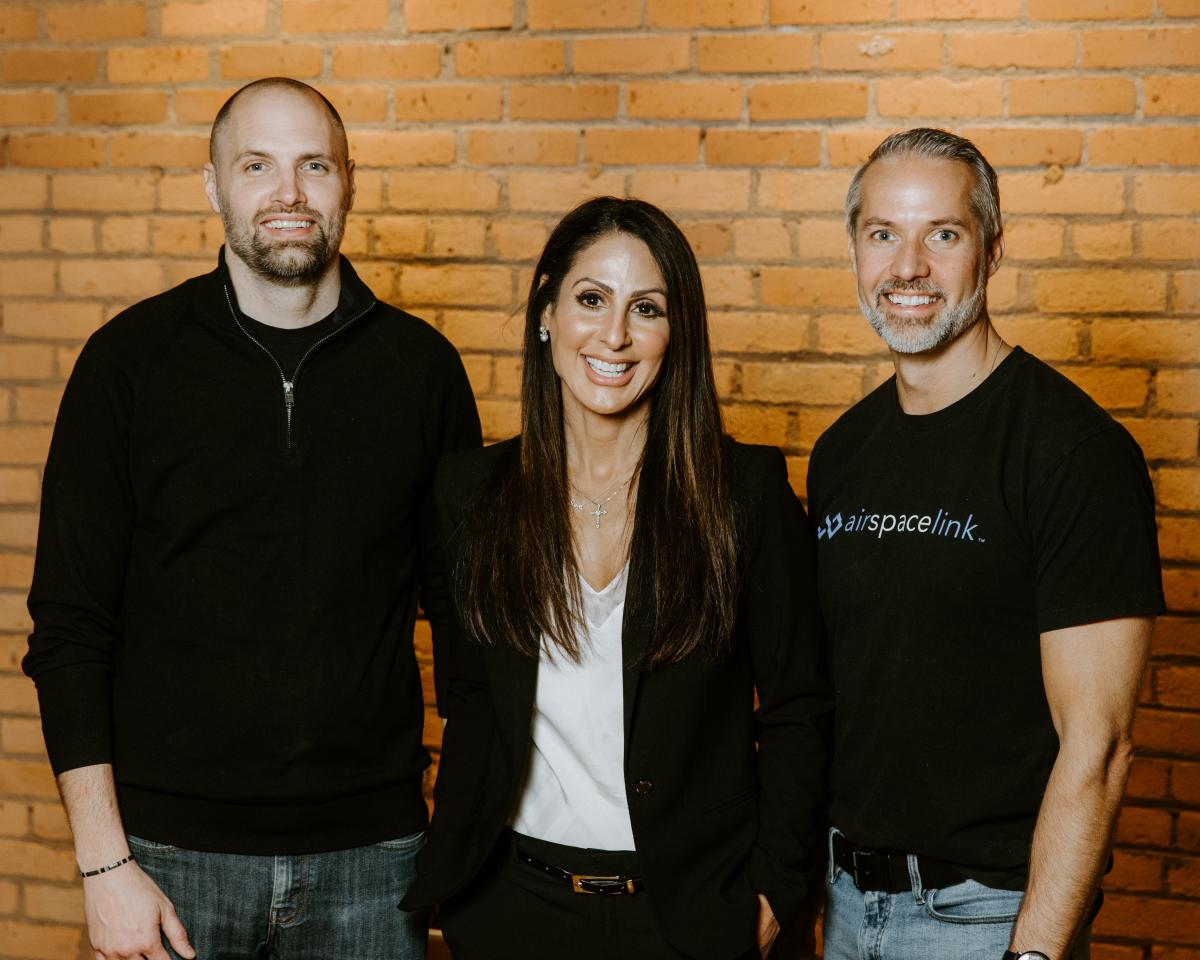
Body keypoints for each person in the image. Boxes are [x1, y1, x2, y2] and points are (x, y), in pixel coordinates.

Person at [23, 77, 480, 960]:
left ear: (349, 181)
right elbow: (71, 628)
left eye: (315, 166)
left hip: (374, 862)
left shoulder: (422, 371)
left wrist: (452, 841)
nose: (289, 193)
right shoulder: (128, 364)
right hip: (166, 859)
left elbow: (469, 625)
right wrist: (104, 863)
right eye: (258, 166)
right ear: (214, 186)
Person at [400, 197, 830, 959]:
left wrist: (775, 890)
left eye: (648, 309)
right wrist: (460, 885)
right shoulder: (471, 493)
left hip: (689, 917)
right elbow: (470, 696)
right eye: (592, 299)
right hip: (510, 906)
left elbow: (800, 705)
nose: (616, 335)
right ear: (547, 314)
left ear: (677, 333)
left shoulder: (744, 494)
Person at [807, 128, 1164, 960]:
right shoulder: (841, 453)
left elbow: (1099, 747)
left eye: (943, 234)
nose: (908, 267)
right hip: (846, 904)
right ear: (855, 250)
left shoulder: (1072, 453)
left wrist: (1031, 952)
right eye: (883, 234)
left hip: (986, 917)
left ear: (992, 249)